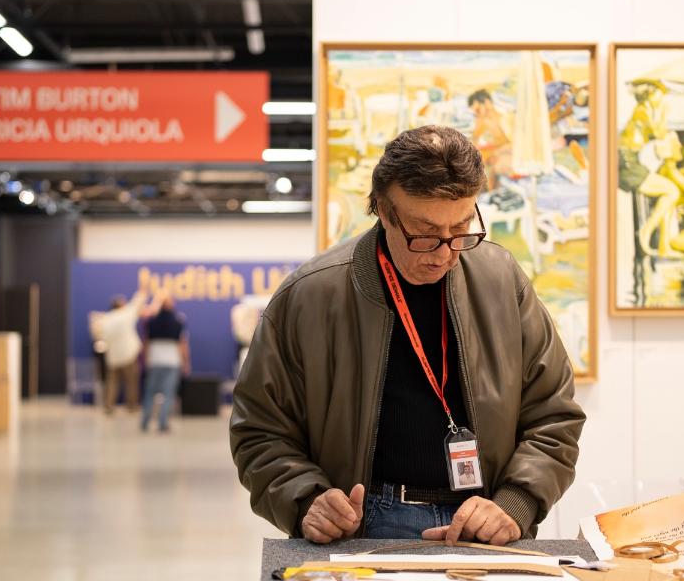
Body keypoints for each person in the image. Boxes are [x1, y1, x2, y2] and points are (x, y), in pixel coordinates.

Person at [230, 125, 584, 545]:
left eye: (462, 228)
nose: (445, 253)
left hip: (483, 520)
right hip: (362, 525)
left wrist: (515, 504)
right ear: (383, 210)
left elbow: (555, 415)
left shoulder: (502, 281)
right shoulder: (310, 295)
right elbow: (259, 430)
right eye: (425, 234)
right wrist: (306, 500)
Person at [142, 293, 190, 433]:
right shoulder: (178, 322)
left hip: (155, 360)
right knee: (168, 394)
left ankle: (145, 421)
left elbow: (146, 342)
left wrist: (146, 359)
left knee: (150, 392)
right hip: (172, 361)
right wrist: (186, 362)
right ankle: (162, 422)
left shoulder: (151, 322)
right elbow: (182, 344)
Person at [94, 293, 149, 415]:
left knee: (112, 383)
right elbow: (136, 303)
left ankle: (109, 406)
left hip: (113, 357)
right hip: (129, 355)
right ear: (121, 306)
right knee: (132, 382)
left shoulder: (106, 319)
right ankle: (132, 406)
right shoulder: (125, 314)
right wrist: (143, 292)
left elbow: (100, 335)